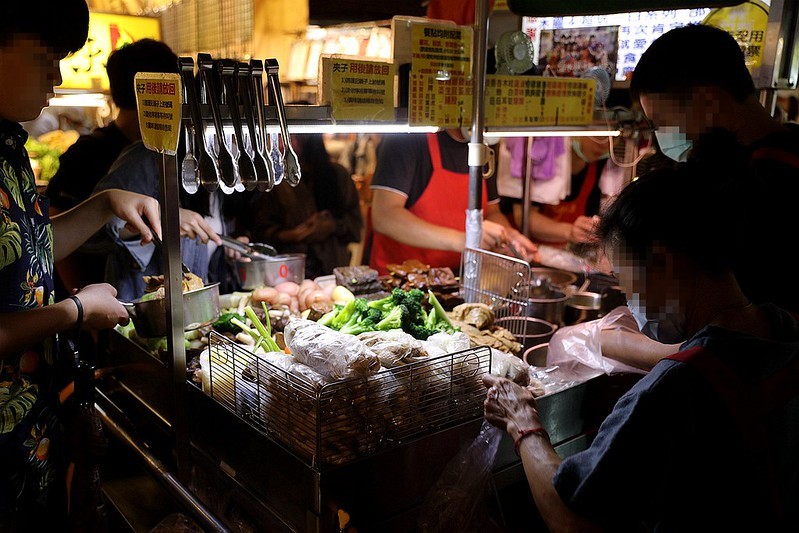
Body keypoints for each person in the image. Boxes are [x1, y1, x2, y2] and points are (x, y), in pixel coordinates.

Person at [483, 133, 799, 532]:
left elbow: (570, 519)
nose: (628, 298)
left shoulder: (674, 391)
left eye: (627, 282)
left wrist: (523, 423)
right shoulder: (784, 331)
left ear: (664, 264)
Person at [0, 2, 164, 528]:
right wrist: (76, 309)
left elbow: (30, 249)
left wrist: (103, 203)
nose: (58, 75)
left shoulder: (8, 150)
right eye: (45, 57)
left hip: (30, 434)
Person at [45, 38, 182, 298]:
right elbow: (55, 233)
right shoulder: (88, 153)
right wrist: (80, 300)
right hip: (99, 294)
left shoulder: (166, 150)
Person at [368, 128, 539, 275]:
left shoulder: (484, 146)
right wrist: (464, 240)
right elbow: (384, 215)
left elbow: (492, 211)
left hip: (458, 280)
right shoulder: (407, 137)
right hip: (402, 281)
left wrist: (509, 235)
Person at [246, 133, 363, 279]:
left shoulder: (338, 175)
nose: (285, 143)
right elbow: (259, 233)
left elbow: (356, 228)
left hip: (333, 271)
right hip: (287, 273)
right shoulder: (274, 180)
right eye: (283, 137)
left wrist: (332, 226)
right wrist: (292, 235)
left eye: (294, 137)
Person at [500, 135, 621, 249]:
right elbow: (523, 216)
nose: (604, 145)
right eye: (599, 137)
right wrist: (569, 231)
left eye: (613, 138)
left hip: (565, 254)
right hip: (521, 248)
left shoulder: (601, 167)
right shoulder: (541, 156)